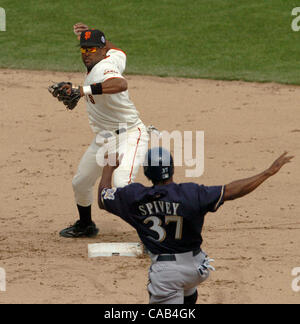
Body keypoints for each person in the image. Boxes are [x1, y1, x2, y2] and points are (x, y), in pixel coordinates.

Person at [97, 147, 294, 304]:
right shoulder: (191, 193)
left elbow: (103, 198)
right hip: (197, 267)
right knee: (187, 290)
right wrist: (268, 172)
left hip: (167, 274)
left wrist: (108, 168)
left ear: (147, 173)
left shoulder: (134, 197)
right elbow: (232, 191)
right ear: (172, 169)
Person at [59, 23, 149, 238]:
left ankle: (152, 232)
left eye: (91, 49)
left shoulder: (104, 69)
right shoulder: (113, 57)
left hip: (129, 135)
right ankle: (86, 224)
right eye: (83, 49)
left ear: (101, 51)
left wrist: (83, 90)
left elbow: (120, 84)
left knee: (121, 184)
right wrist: (92, 35)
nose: (86, 54)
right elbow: (119, 51)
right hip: (105, 138)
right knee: (80, 183)